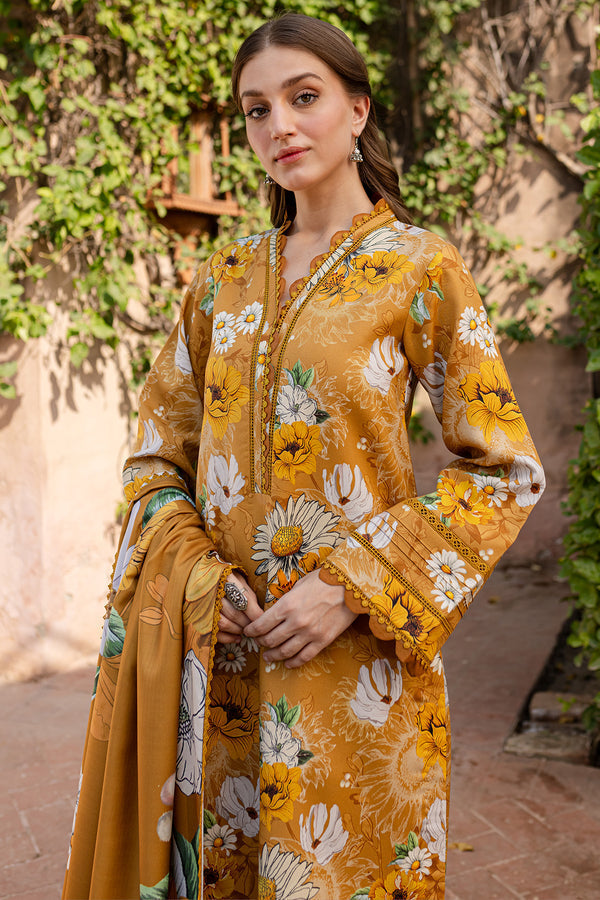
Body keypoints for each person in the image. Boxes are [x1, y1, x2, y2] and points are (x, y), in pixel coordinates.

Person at [62, 12, 545, 900]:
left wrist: (351, 584)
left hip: (357, 673)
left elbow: (504, 472)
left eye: (304, 97)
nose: (278, 125)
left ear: (357, 110)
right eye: (256, 110)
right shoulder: (220, 280)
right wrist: (199, 575)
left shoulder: (420, 268)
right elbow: (155, 457)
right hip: (219, 669)